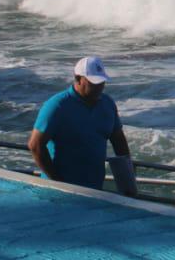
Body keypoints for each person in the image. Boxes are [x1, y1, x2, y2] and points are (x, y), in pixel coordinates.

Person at [28, 56, 132, 192]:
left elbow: (119, 142)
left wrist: (128, 182)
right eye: (93, 83)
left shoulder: (107, 104)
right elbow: (35, 145)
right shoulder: (57, 105)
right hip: (58, 191)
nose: (99, 87)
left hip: (94, 190)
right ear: (78, 79)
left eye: (101, 82)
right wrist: (59, 183)